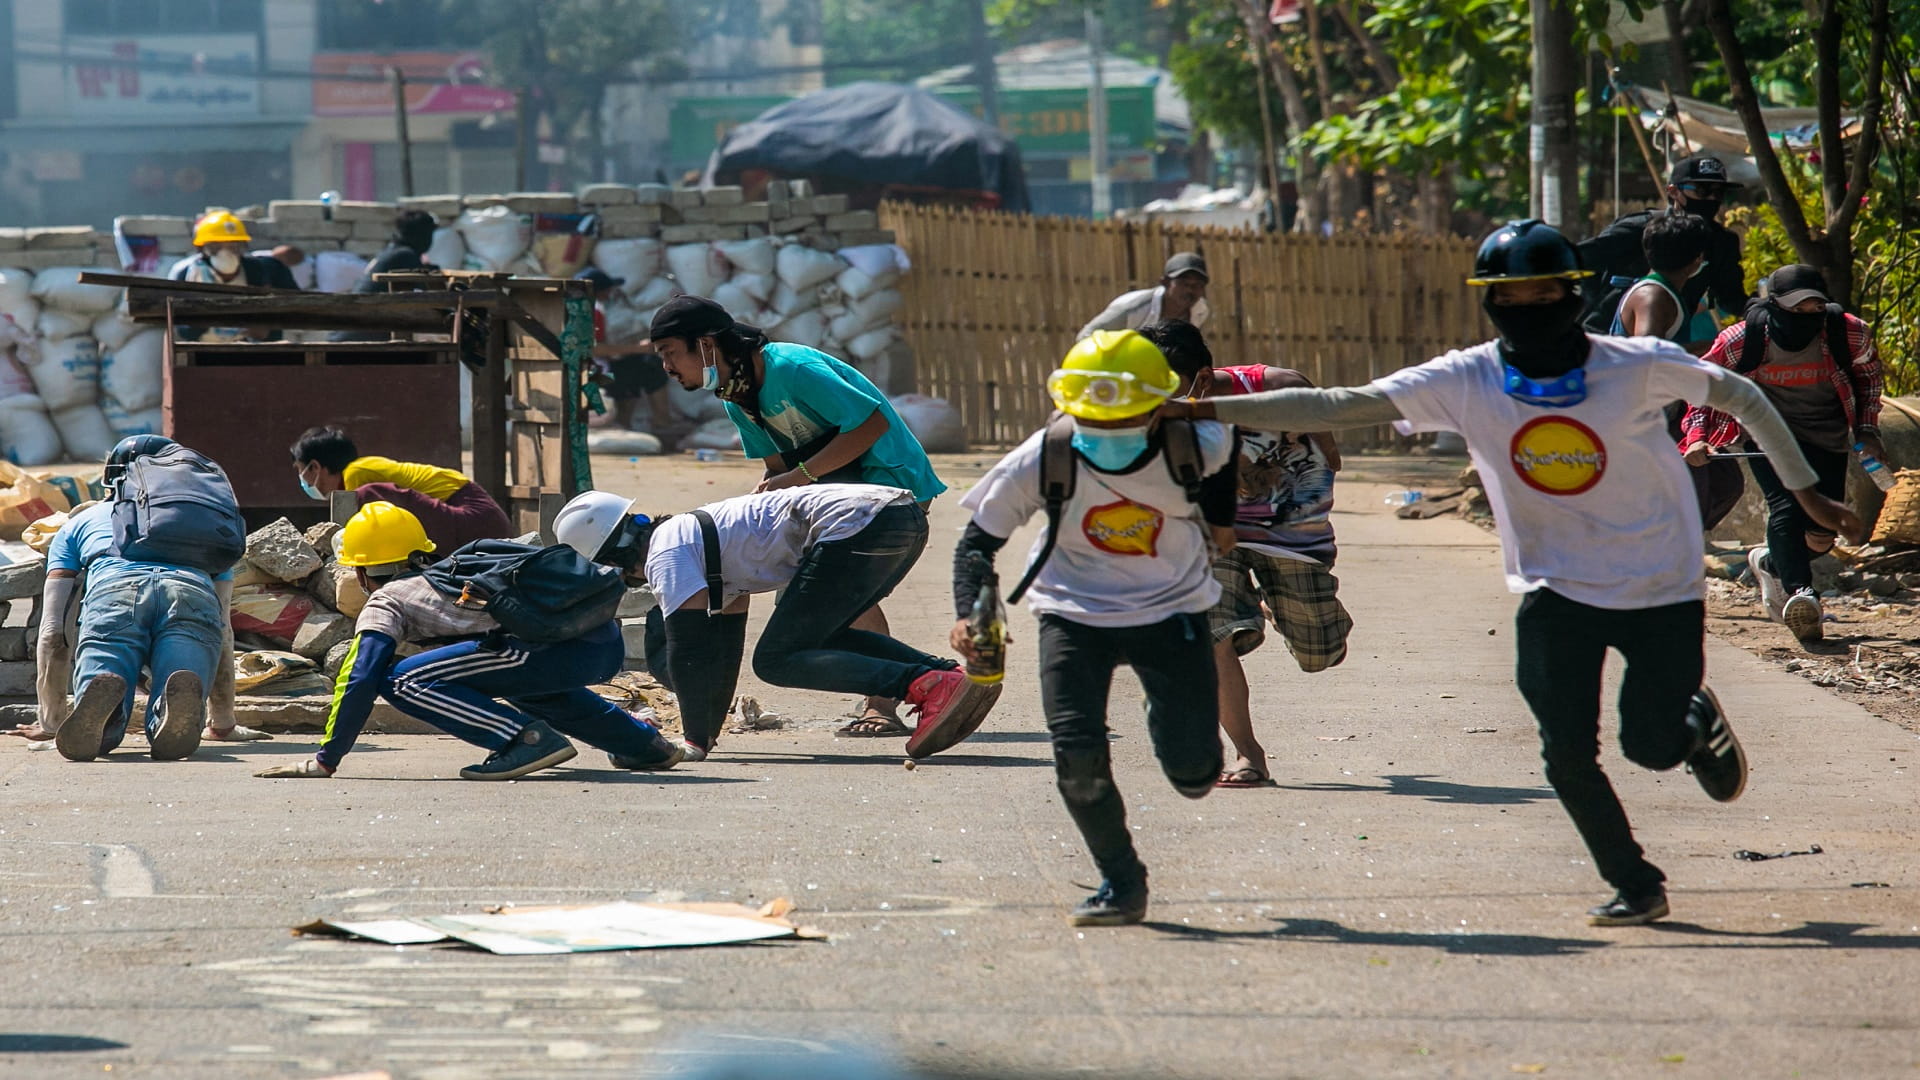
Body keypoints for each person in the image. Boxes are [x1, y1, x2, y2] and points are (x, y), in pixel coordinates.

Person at [1166, 220, 1859, 927]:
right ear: (1491, 302)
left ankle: (1691, 721)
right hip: (1554, 587)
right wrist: (1195, 407)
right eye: (1512, 294)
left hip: (1659, 582)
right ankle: (1636, 882)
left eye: (1544, 291)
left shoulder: (1631, 363)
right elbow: (1338, 407)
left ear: (1571, 294)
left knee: (1647, 747)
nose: (1529, 306)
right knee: (1565, 753)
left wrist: (1805, 490)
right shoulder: (1469, 377)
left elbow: (1741, 396)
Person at [950, 330, 1239, 926]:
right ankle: (1121, 882)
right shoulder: (1046, 453)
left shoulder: (1200, 443)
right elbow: (978, 542)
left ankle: (1169, 721)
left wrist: (1219, 517)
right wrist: (971, 612)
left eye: (1125, 418)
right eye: (1094, 418)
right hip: (1071, 615)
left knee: (1195, 773)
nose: (1107, 431)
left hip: (1173, 610)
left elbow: (1225, 478)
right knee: (1077, 761)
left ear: (1160, 405)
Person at [649, 294, 945, 734]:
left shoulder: (792, 368)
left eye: (671, 353)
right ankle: (934, 679)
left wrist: (801, 476)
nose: (668, 368)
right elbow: (777, 469)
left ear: (706, 344)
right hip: (836, 491)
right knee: (815, 599)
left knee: (840, 598)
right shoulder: (736, 398)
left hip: (890, 482)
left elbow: (872, 424)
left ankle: (886, 701)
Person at [554, 486, 998, 762]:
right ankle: (949, 677)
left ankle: (928, 683)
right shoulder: (706, 551)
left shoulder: (668, 554)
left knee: (777, 660)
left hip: (861, 525)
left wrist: (689, 742)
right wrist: (705, 735)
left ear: (616, 557)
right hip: (896, 517)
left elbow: (688, 651)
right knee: (819, 638)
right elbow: (723, 653)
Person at [256, 502, 681, 781]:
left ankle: (524, 741)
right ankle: (643, 746)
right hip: (598, 645)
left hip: (550, 651)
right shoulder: (453, 571)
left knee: (402, 679)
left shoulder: (388, 599)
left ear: (363, 573)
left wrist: (326, 757)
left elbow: (361, 674)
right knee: (524, 685)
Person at [1140, 319, 1352, 789]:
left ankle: (1278, 611)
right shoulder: (1151, 411)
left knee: (1320, 653)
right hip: (1213, 536)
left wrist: (1263, 467)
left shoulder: (1280, 388)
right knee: (1210, 631)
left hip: (1294, 539)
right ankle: (1247, 754)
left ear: (1202, 374)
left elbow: (1331, 458)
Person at [1680, 264, 1882, 644]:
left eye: (1814, 310)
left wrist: (1868, 430)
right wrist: (1697, 437)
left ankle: (1770, 562)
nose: (1806, 318)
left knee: (1822, 534)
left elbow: (1869, 379)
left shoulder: (1848, 332)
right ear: (1772, 306)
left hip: (1828, 434)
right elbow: (1702, 386)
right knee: (1787, 507)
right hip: (1768, 432)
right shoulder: (1743, 338)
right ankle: (1802, 595)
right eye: (1795, 310)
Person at [34, 436, 236, 763]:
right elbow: (224, 631)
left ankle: (106, 718)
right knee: (183, 675)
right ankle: (170, 714)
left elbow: (52, 633)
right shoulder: (204, 526)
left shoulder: (80, 522)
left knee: (106, 676)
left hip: (115, 591)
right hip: (191, 589)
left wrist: (51, 722)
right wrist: (224, 722)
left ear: (110, 479)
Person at [1611, 212, 1747, 531]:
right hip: (1647, 418)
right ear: (1697, 258)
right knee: (1694, 496)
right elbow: (1648, 352)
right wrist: (1709, 345)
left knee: (1725, 484)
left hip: (1670, 412)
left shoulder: (1664, 292)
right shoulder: (1653, 295)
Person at [1579, 155, 1747, 342]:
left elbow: (1732, 297)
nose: (1711, 199)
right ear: (1673, 191)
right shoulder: (1639, 230)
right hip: (1604, 344)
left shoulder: (1720, 242)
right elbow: (1580, 259)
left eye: (1719, 193)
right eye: (1703, 190)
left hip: (1667, 342)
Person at [290, 426, 513, 552]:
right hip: (473, 518)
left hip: (474, 519)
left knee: (367, 500)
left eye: (301, 470)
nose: (302, 479)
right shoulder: (359, 470)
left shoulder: (356, 475)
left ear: (315, 466)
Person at [579, 269, 686, 442]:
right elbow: (593, 349)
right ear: (599, 291)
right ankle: (662, 423)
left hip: (590, 371)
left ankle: (624, 422)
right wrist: (638, 349)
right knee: (649, 366)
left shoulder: (576, 308)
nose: (610, 294)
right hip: (595, 375)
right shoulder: (593, 310)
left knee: (634, 369)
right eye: (607, 289)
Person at [170, 210, 299, 342]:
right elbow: (183, 329)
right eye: (216, 246)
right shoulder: (189, 274)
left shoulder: (259, 270)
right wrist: (204, 320)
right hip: (203, 351)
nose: (225, 252)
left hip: (250, 349)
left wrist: (267, 326)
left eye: (233, 246)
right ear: (201, 249)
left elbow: (292, 306)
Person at [1077, 253, 1210, 340]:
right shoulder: (1134, 309)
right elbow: (1085, 337)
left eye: (1198, 284)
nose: (1190, 290)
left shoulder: (1199, 310)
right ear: (1165, 282)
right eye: (1183, 283)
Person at [351, 210, 437, 294]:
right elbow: (426, 289)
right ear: (422, 235)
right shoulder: (405, 255)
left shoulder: (393, 251)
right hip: (370, 306)